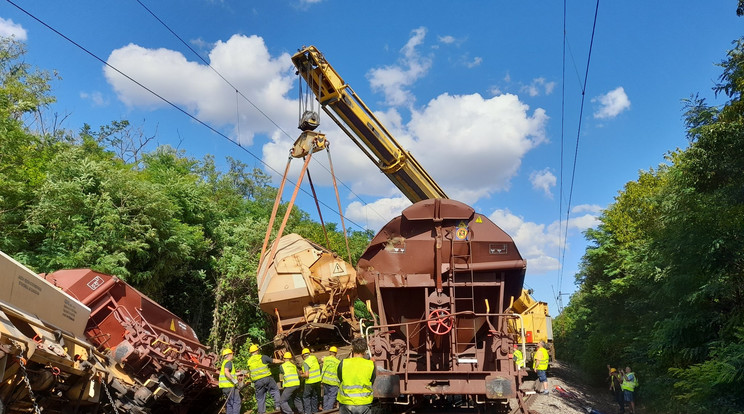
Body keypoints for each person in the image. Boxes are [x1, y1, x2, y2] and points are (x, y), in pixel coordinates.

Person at [336, 337, 376, 414]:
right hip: (364, 402)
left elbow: (340, 378)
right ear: (365, 350)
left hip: (346, 402)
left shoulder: (343, 363)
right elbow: (372, 380)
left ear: (352, 349)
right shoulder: (370, 364)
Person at [247, 344, 283, 414]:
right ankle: (277, 406)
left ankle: (261, 412)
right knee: (275, 390)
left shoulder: (249, 361)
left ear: (251, 352)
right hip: (267, 379)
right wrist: (282, 361)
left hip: (258, 382)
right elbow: (274, 361)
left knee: (260, 398)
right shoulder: (262, 357)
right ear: (257, 351)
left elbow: (250, 372)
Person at [219, 348, 241, 414]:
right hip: (229, 386)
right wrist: (234, 380)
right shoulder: (228, 362)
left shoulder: (224, 363)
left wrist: (241, 372)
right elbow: (226, 372)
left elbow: (230, 373)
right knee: (236, 402)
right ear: (229, 355)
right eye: (232, 354)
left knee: (230, 404)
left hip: (225, 387)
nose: (232, 355)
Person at [301, 348, 321, 414]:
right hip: (317, 380)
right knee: (314, 396)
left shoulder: (306, 362)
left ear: (303, 355)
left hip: (310, 382)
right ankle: (315, 411)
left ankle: (308, 412)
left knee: (306, 397)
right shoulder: (314, 358)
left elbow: (307, 375)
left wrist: (301, 375)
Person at [321, 346, 341, 410]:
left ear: (329, 352)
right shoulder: (338, 362)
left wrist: (321, 379)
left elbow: (323, 369)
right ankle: (328, 410)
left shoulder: (326, 359)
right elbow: (339, 373)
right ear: (336, 353)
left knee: (326, 395)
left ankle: (325, 409)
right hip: (334, 382)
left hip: (326, 381)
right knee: (332, 397)